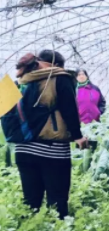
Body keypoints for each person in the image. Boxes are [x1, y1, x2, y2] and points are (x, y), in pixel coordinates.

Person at [12, 51, 88, 219]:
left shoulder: (20, 80)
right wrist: (78, 136)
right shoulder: (60, 78)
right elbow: (69, 110)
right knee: (57, 199)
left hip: (23, 149)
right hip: (52, 150)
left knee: (31, 202)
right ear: (57, 65)